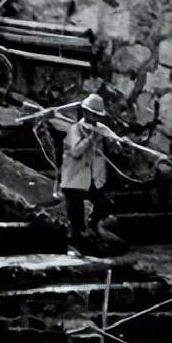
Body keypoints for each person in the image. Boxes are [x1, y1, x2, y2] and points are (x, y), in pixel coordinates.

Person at [60, 93, 118, 253]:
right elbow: (76, 151)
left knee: (105, 204)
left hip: (94, 177)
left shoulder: (101, 128)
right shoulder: (75, 129)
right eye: (92, 114)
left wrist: (118, 143)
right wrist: (91, 138)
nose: (94, 117)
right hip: (75, 179)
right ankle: (75, 246)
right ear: (85, 112)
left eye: (97, 115)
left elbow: (114, 140)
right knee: (76, 217)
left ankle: (92, 224)